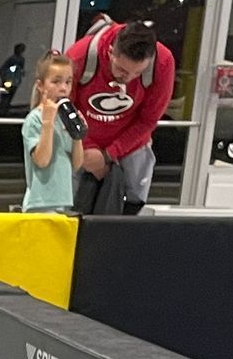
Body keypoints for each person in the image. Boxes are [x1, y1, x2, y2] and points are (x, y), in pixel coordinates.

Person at [68, 16, 174, 216]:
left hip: (130, 143)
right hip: (81, 139)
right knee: (69, 206)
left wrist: (109, 154)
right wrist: (87, 148)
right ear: (110, 53)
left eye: (137, 73)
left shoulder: (163, 62)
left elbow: (148, 120)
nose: (129, 78)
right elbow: (65, 110)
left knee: (133, 200)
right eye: (122, 70)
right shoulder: (80, 56)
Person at [19, 49, 88, 211]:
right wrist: (48, 123)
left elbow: (77, 164)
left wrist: (77, 135)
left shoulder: (65, 117)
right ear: (41, 86)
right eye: (56, 82)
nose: (63, 88)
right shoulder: (35, 119)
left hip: (63, 201)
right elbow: (42, 161)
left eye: (68, 82)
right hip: (39, 203)